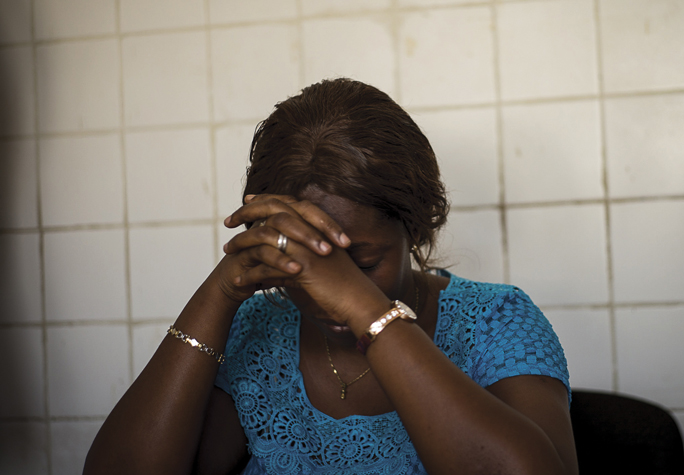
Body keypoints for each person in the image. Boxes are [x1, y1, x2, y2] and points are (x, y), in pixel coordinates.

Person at [84, 78, 578, 475]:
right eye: (304, 266)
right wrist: (219, 293)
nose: (327, 299)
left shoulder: (497, 321)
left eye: (360, 265)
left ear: (416, 225)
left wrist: (369, 311)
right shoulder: (259, 328)